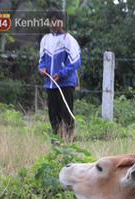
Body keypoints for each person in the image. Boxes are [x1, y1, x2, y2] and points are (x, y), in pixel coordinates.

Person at [38, 8, 80, 142]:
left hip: (65, 83)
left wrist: (61, 74)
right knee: (53, 114)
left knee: (66, 114)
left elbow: (75, 61)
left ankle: (69, 141)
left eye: (54, 21)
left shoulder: (68, 39)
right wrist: (42, 68)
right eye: (49, 21)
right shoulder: (45, 40)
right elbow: (42, 59)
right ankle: (56, 142)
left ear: (61, 22)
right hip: (50, 84)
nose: (52, 23)